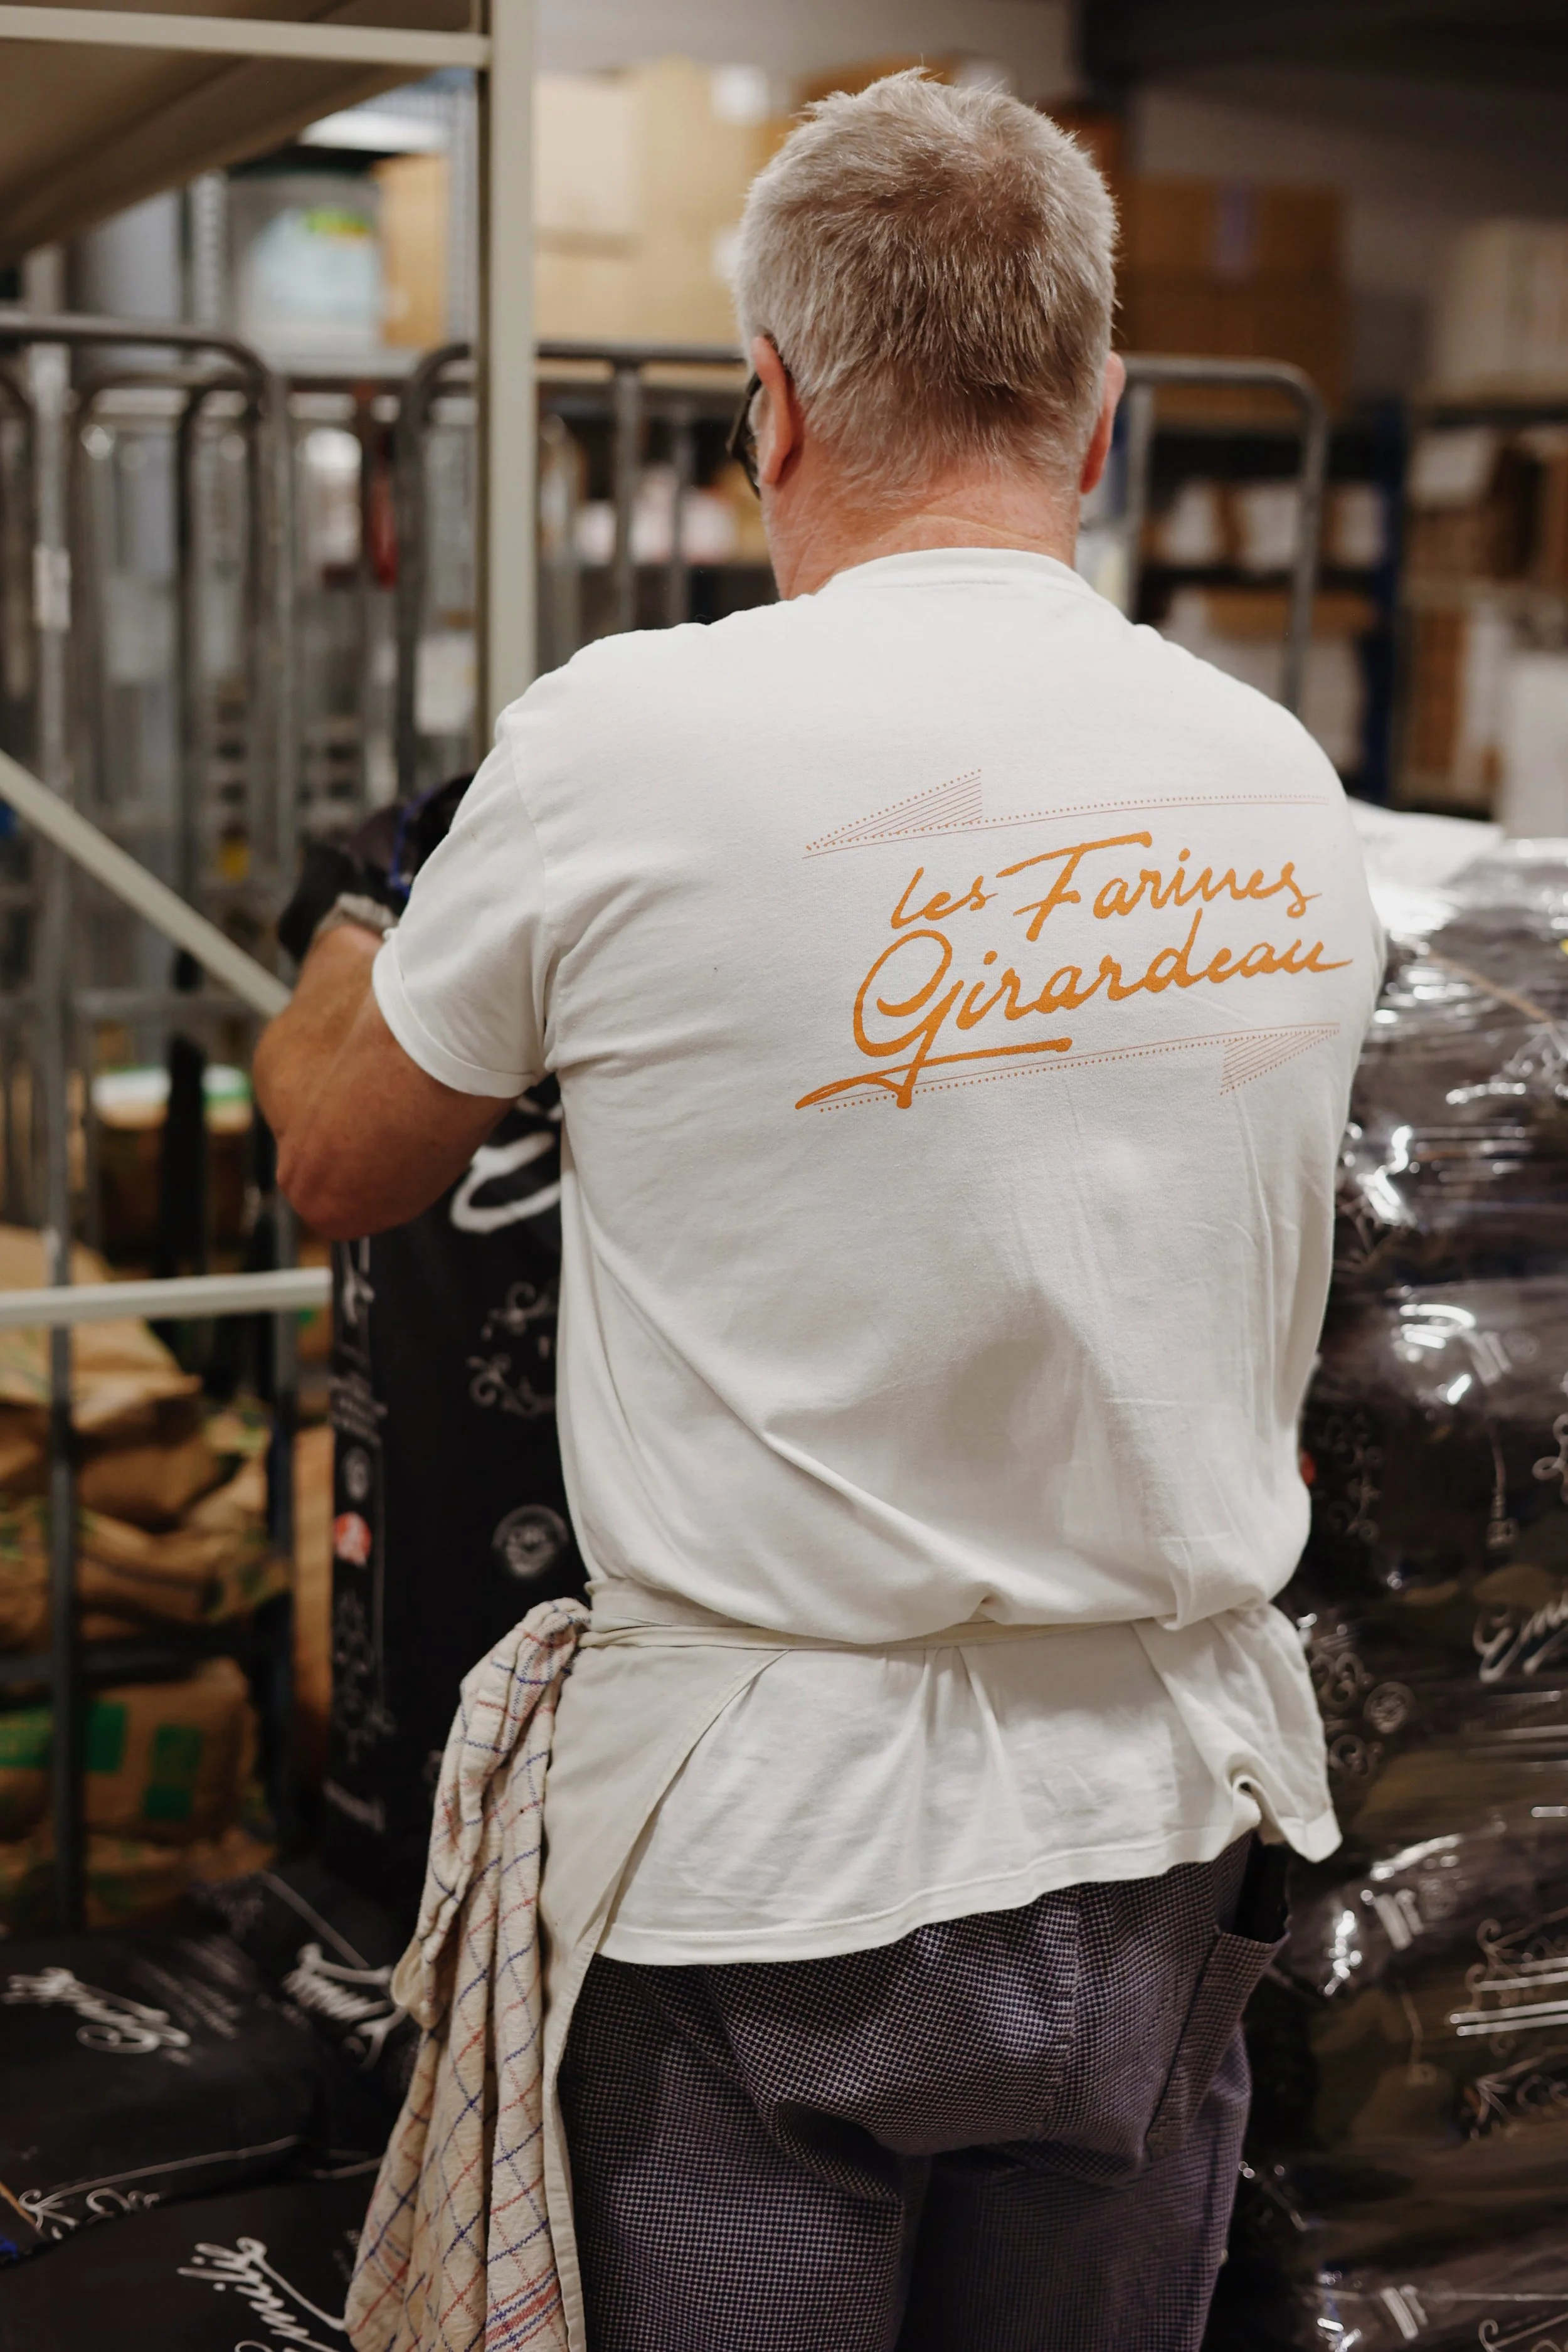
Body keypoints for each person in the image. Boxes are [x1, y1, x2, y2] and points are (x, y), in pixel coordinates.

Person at [256, 71, 1382, 2352]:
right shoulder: (1276, 781)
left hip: (765, 1873)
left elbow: (341, 1159)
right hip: (1155, 1846)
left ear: (764, 403)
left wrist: (378, 919)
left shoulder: (627, 740)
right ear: (1103, 420)